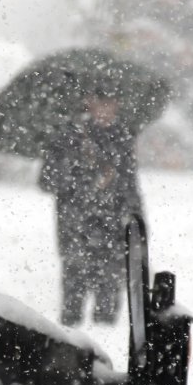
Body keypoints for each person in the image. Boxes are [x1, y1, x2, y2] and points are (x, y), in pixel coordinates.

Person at [41, 95, 139, 325]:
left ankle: (105, 334)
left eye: (111, 103)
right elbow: (47, 180)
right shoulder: (68, 136)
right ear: (88, 102)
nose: (106, 109)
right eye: (101, 102)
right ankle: (71, 337)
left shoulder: (121, 137)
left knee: (109, 287)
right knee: (74, 284)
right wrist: (84, 178)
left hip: (113, 223)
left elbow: (129, 182)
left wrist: (136, 219)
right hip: (75, 222)